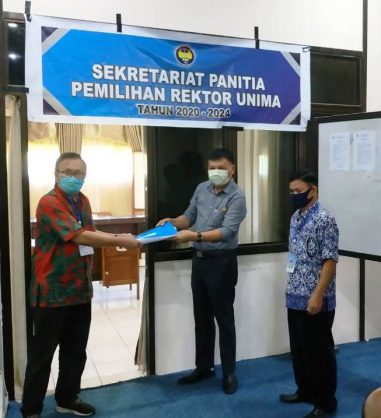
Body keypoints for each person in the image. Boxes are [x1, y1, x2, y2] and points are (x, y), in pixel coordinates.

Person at [23, 152, 140, 418]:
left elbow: (90, 233)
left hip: (79, 290)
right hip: (52, 292)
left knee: (75, 352)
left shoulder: (82, 200)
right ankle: (31, 410)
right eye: (68, 172)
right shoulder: (49, 202)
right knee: (42, 356)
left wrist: (118, 236)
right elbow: (78, 236)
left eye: (79, 173)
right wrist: (119, 240)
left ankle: (67, 398)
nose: (73, 177)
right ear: (56, 174)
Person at [157, 148, 246, 394]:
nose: (215, 172)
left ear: (232, 169)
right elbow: (189, 216)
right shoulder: (202, 188)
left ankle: (229, 372)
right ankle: (203, 367)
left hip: (222, 262)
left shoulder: (237, 196)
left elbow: (227, 232)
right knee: (202, 318)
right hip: (199, 262)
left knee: (224, 319)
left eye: (221, 168)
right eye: (212, 168)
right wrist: (173, 222)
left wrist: (194, 236)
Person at [279, 171, 339, 418]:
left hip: (315, 297)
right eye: (291, 192)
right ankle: (304, 390)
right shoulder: (296, 217)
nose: (294, 195)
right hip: (295, 293)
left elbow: (330, 261)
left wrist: (318, 295)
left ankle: (325, 402)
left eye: (298, 191)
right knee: (300, 349)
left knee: (319, 352)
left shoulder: (325, 219)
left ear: (312, 191)